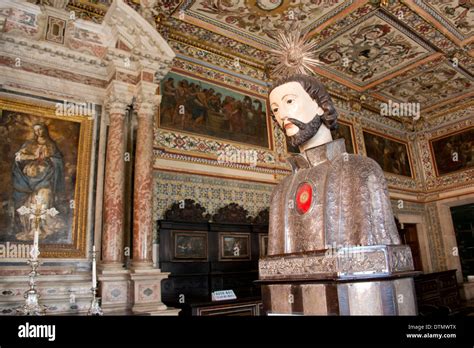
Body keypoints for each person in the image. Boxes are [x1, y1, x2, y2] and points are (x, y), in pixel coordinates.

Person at [267, 74, 400, 254]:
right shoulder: (281, 190)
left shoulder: (361, 169)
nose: (282, 115)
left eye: (289, 101)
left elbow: (382, 260)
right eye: (275, 110)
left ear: (320, 107)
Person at [13, 123, 66, 240]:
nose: (38, 132)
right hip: (29, 181)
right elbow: (19, 157)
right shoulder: (29, 144)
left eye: (40, 130)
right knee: (30, 205)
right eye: (36, 130)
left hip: (46, 178)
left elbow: (58, 161)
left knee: (44, 202)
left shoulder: (51, 145)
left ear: (45, 130)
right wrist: (33, 157)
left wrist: (48, 158)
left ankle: (41, 229)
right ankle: (31, 230)